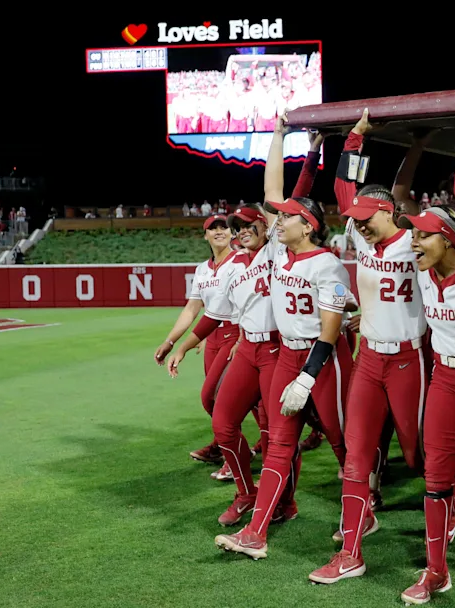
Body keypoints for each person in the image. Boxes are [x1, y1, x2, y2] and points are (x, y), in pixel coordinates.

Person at [213, 119, 355, 558]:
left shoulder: (327, 265)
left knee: (340, 439)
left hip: (321, 360)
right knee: (279, 442)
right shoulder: (279, 251)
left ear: (307, 226)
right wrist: (278, 136)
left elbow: (329, 333)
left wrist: (308, 377)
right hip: (286, 358)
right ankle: (256, 533)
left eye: (287, 217)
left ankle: (361, 510)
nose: (277, 219)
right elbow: (272, 187)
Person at [309, 110, 432, 585]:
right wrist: (355, 138)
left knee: (419, 452)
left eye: (366, 218)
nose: (357, 225)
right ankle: (353, 549)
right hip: (369, 358)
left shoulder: (419, 243)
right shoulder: (363, 240)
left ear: (388, 212)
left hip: (411, 357)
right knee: (357, 453)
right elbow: (344, 190)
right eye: (354, 219)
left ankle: (454, 507)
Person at [166, 205, 286, 527]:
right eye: (237, 226)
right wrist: (179, 345)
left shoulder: (274, 251)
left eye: (248, 224)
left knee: (279, 431)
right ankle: (246, 492)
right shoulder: (233, 267)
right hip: (247, 344)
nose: (240, 230)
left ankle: (286, 501)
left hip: (276, 347)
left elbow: (275, 199)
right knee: (221, 420)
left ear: (264, 225)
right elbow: (213, 313)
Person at [398, 205, 455, 605]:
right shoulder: (422, 272)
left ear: (449, 237)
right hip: (444, 378)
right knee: (435, 475)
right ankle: (437, 571)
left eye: (422, 234)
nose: (413, 242)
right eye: (413, 235)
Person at [154, 215, 262, 481]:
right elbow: (193, 309)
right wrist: (170, 342)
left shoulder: (242, 260)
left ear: (231, 232)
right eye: (212, 229)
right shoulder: (203, 269)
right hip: (213, 335)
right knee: (226, 399)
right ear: (204, 236)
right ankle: (227, 446)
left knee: (213, 397)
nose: (218, 231)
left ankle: (239, 450)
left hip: (236, 333)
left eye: (223, 227)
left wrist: (239, 338)